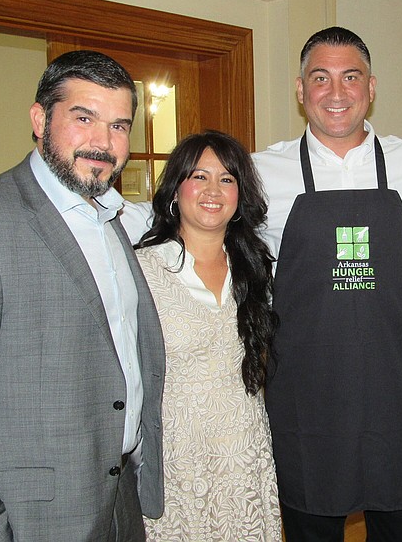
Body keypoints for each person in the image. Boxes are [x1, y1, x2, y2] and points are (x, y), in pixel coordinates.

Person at [0, 50, 165, 541]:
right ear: (40, 119)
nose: (103, 142)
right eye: (85, 118)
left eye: (120, 126)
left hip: (119, 503)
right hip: (28, 519)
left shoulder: (111, 220)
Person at [252, 26, 402, 542]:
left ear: (371, 87)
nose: (336, 93)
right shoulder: (259, 174)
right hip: (305, 400)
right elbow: (189, 225)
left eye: (350, 77)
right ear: (300, 90)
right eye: (320, 78)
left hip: (397, 394)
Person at [135, 130, 281, 540]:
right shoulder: (142, 270)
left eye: (227, 179)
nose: (213, 190)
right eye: (199, 177)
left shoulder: (254, 268)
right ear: (175, 189)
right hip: (177, 458)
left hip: (245, 450)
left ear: (240, 196)